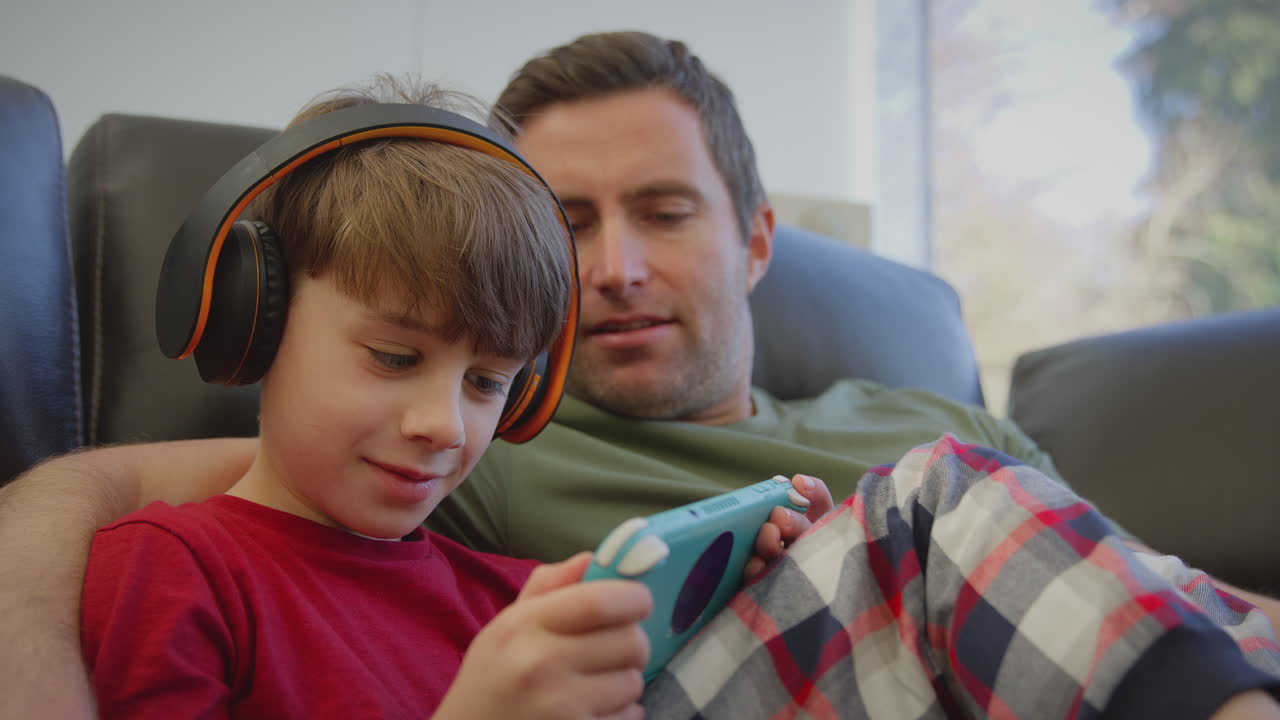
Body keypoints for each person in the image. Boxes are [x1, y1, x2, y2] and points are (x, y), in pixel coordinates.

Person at [2, 32, 1279, 719]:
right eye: (571, 224)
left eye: (663, 211)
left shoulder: (498, 580)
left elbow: (1163, 595)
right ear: (251, 323)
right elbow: (128, 492)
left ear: (757, 240)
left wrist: (735, 570)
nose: (440, 422)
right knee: (934, 498)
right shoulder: (461, 478)